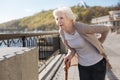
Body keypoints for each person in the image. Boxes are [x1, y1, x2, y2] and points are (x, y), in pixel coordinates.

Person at [53, 7, 111, 80]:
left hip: (98, 63)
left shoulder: (81, 28)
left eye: (61, 18)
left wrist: (99, 43)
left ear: (70, 19)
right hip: (83, 66)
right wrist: (69, 56)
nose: (58, 21)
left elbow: (106, 29)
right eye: (57, 19)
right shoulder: (62, 33)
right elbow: (72, 49)